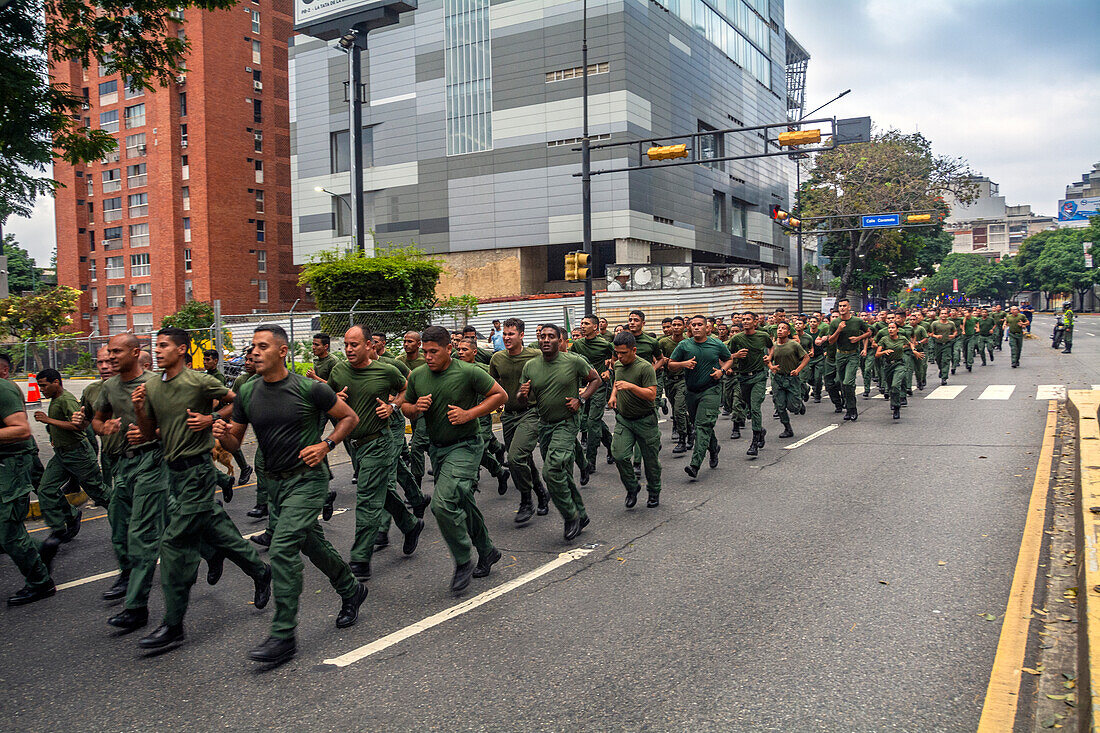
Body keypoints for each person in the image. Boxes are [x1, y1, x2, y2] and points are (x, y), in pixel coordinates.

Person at [214, 325, 364, 664]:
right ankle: (351, 588)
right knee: (309, 543)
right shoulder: (248, 392)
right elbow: (235, 442)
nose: (254, 352)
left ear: (282, 351)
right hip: (276, 485)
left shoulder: (309, 389)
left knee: (281, 549)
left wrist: (326, 445)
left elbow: (348, 418)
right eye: (252, 346)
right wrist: (223, 435)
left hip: (307, 481)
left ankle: (283, 635)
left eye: (262, 346)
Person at [134, 327, 272, 651]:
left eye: (164, 346)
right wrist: (140, 410)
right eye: (156, 345)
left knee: (173, 543)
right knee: (218, 532)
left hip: (197, 472)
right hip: (173, 474)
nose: (158, 350)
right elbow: (148, 433)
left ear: (182, 350)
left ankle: (173, 625)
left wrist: (210, 419)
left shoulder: (199, 382)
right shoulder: (153, 386)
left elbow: (238, 402)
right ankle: (259, 570)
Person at [402, 326, 508, 592]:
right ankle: (487, 550)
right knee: (462, 499)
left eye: (433, 351)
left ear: (449, 349)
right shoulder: (417, 376)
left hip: (466, 446)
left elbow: (500, 395)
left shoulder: (468, 371)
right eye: (425, 351)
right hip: (438, 450)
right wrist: (415, 409)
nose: (427, 356)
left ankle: (463, 560)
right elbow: (404, 404)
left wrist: (469, 414)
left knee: (441, 504)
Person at [328, 325, 424, 582]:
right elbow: (326, 398)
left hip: (378, 442)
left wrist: (393, 406)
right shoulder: (339, 370)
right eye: (346, 344)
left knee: (368, 498)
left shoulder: (386, 370)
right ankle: (410, 524)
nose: (348, 349)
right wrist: (334, 399)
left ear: (369, 345)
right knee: (381, 491)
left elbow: (407, 389)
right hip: (354, 445)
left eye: (354, 344)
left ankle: (360, 558)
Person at [91, 334, 167, 623]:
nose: (110, 357)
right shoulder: (109, 386)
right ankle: (126, 575)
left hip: (153, 461)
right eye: (108, 352)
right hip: (123, 464)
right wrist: (103, 427)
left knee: (143, 535)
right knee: (119, 522)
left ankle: (136, 607)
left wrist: (151, 432)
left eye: (116, 351)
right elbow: (97, 419)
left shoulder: (156, 384)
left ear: (136, 353)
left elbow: (175, 422)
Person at [519, 323, 601, 541]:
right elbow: (522, 396)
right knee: (561, 474)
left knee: (552, 471)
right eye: (542, 336)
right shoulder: (530, 366)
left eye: (551, 337)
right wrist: (522, 393)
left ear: (560, 340)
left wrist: (580, 399)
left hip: (567, 422)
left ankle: (570, 516)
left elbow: (596, 379)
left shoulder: (573, 361)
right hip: (544, 424)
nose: (546, 340)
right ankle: (581, 514)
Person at [1, 353, 57, 606]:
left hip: (8, 468)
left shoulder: (3, 389)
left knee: (8, 530)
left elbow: (21, 430)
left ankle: (40, 582)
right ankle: (39, 548)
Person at [33, 369, 109, 553]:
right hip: (61, 455)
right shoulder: (55, 400)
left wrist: (48, 420)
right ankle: (63, 525)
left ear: (56, 383)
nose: (41, 389)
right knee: (46, 489)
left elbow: (78, 427)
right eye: (39, 385)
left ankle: (128, 518)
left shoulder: (66, 400)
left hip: (78, 454)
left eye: (44, 385)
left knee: (99, 493)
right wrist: (53, 434)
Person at [489, 318, 550, 524]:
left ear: (521, 335)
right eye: (504, 334)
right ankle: (541, 491)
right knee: (523, 458)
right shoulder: (497, 359)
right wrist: (497, 400)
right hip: (509, 415)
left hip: (531, 413)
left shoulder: (536, 356)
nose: (506, 337)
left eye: (511, 334)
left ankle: (526, 501)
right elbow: (494, 382)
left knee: (515, 458)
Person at [669, 315, 733, 475]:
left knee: (702, 426)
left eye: (700, 325)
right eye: (693, 325)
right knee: (701, 424)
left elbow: (729, 359)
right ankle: (713, 448)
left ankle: (695, 465)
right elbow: (670, 364)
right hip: (691, 391)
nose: (696, 327)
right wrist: (683, 364)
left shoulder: (716, 344)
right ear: (689, 328)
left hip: (711, 390)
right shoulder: (684, 345)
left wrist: (721, 371)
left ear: (707, 328)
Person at [608, 332, 660, 508]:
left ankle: (654, 491)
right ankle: (632, 487)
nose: (619, 357)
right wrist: (613, 395)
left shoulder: (644, 367)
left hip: (645, 421)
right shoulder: (617, 365)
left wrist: (631, 387)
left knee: (650, 461)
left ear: (634, 350)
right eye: (617, 353)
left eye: (623, 353)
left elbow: (651, 394)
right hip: (624, 420)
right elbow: (617, 381)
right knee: (619, 455)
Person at [456, 338, 510, 495]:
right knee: (475, 450)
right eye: (459, 349)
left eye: (464, 349)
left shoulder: (483, 370)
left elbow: (498, 386)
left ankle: (471, 485)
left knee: (478, 449)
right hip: (463, 417)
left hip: (482, 415)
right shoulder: (455, 369)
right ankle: (500, 471)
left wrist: (498, 402)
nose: (460, 352)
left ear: (474, 352)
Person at [569, 315, 614, 474]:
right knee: (587, 421)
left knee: (593, 422)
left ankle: (591, 461)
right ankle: (611, 445)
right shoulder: (578, 344)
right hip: (582, 388)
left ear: (595, 327)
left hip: (599, 387)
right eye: (581, 323)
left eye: (586, 324)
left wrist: (609, 370)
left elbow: (616, 358)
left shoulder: (605, 344)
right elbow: (569, 360)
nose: (582, 326)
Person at [203, 348, 253, 485]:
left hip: (219, 415)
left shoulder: (218, 377)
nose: (205, 362)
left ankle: (244, 467)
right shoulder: (206, 375)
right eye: (204, 359)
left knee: (229, 442)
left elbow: (218, 399)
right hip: (211, 416)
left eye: (208, 359)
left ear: (215, 361)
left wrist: (208, 413)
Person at [729, 312, 773, 455]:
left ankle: (754, 442)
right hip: (743, 378)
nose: (745, 322)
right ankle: (760, 430)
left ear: (755, 322)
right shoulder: (736, 338)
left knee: (755, 407)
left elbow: (771, 346)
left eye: (748, 319)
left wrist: (769, 357)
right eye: (743, 320)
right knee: (747, 406)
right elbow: (726, 355)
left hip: (759, 376)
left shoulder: (762, 336)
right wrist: (735, 356)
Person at [827, 299, 871, 422]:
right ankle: (848, 408)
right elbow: (831, 341)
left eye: (844, 306)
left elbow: (868, 332)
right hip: (840, 355)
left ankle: (852, 408)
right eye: (840, 306)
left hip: (853, 355)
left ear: (849, 307)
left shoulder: (857, 321)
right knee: (842, 383)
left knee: (848, 382)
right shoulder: (835, 322)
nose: (842, 308)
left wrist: (858, 338)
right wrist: (839, 330)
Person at [768, 323, 808, 439]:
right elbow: (768, 360)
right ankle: (787, 428)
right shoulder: (773, 346)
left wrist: (797, 369)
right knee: (779, 405)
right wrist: (771, 367)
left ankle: (799, 404)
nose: (780, 330)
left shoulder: (794, 344)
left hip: (792, 378)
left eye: (783, 329)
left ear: (788, 332)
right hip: (778, 379)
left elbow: (806, 358)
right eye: (779, 328)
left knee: (793, 407)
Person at [875, 321, 922, 420]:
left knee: (895, 385)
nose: (890, 330)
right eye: (889, 328)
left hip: (899, 364)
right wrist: (884, 351)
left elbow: (910, 344)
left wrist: (914, 351)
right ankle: (893, 401)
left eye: (893, 328)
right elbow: (877, 354)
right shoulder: (884, 339)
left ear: (897, 330)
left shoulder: (902, 338)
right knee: (890, 386)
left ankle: (896, 407)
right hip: (888, 365)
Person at [928, 310, 957, 384]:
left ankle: (944, 377)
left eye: (945, 313)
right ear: (939, 315)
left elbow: (955, 331)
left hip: (947, 344)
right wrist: (935, 336)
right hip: (938, 344)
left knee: (946, 360)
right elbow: (930, 333)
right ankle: (941, 370)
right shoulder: (935, 323)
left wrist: (953, 335)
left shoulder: (951, 323)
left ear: (948, 315)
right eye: (942, 313)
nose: (943, 315)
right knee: (938, 360)